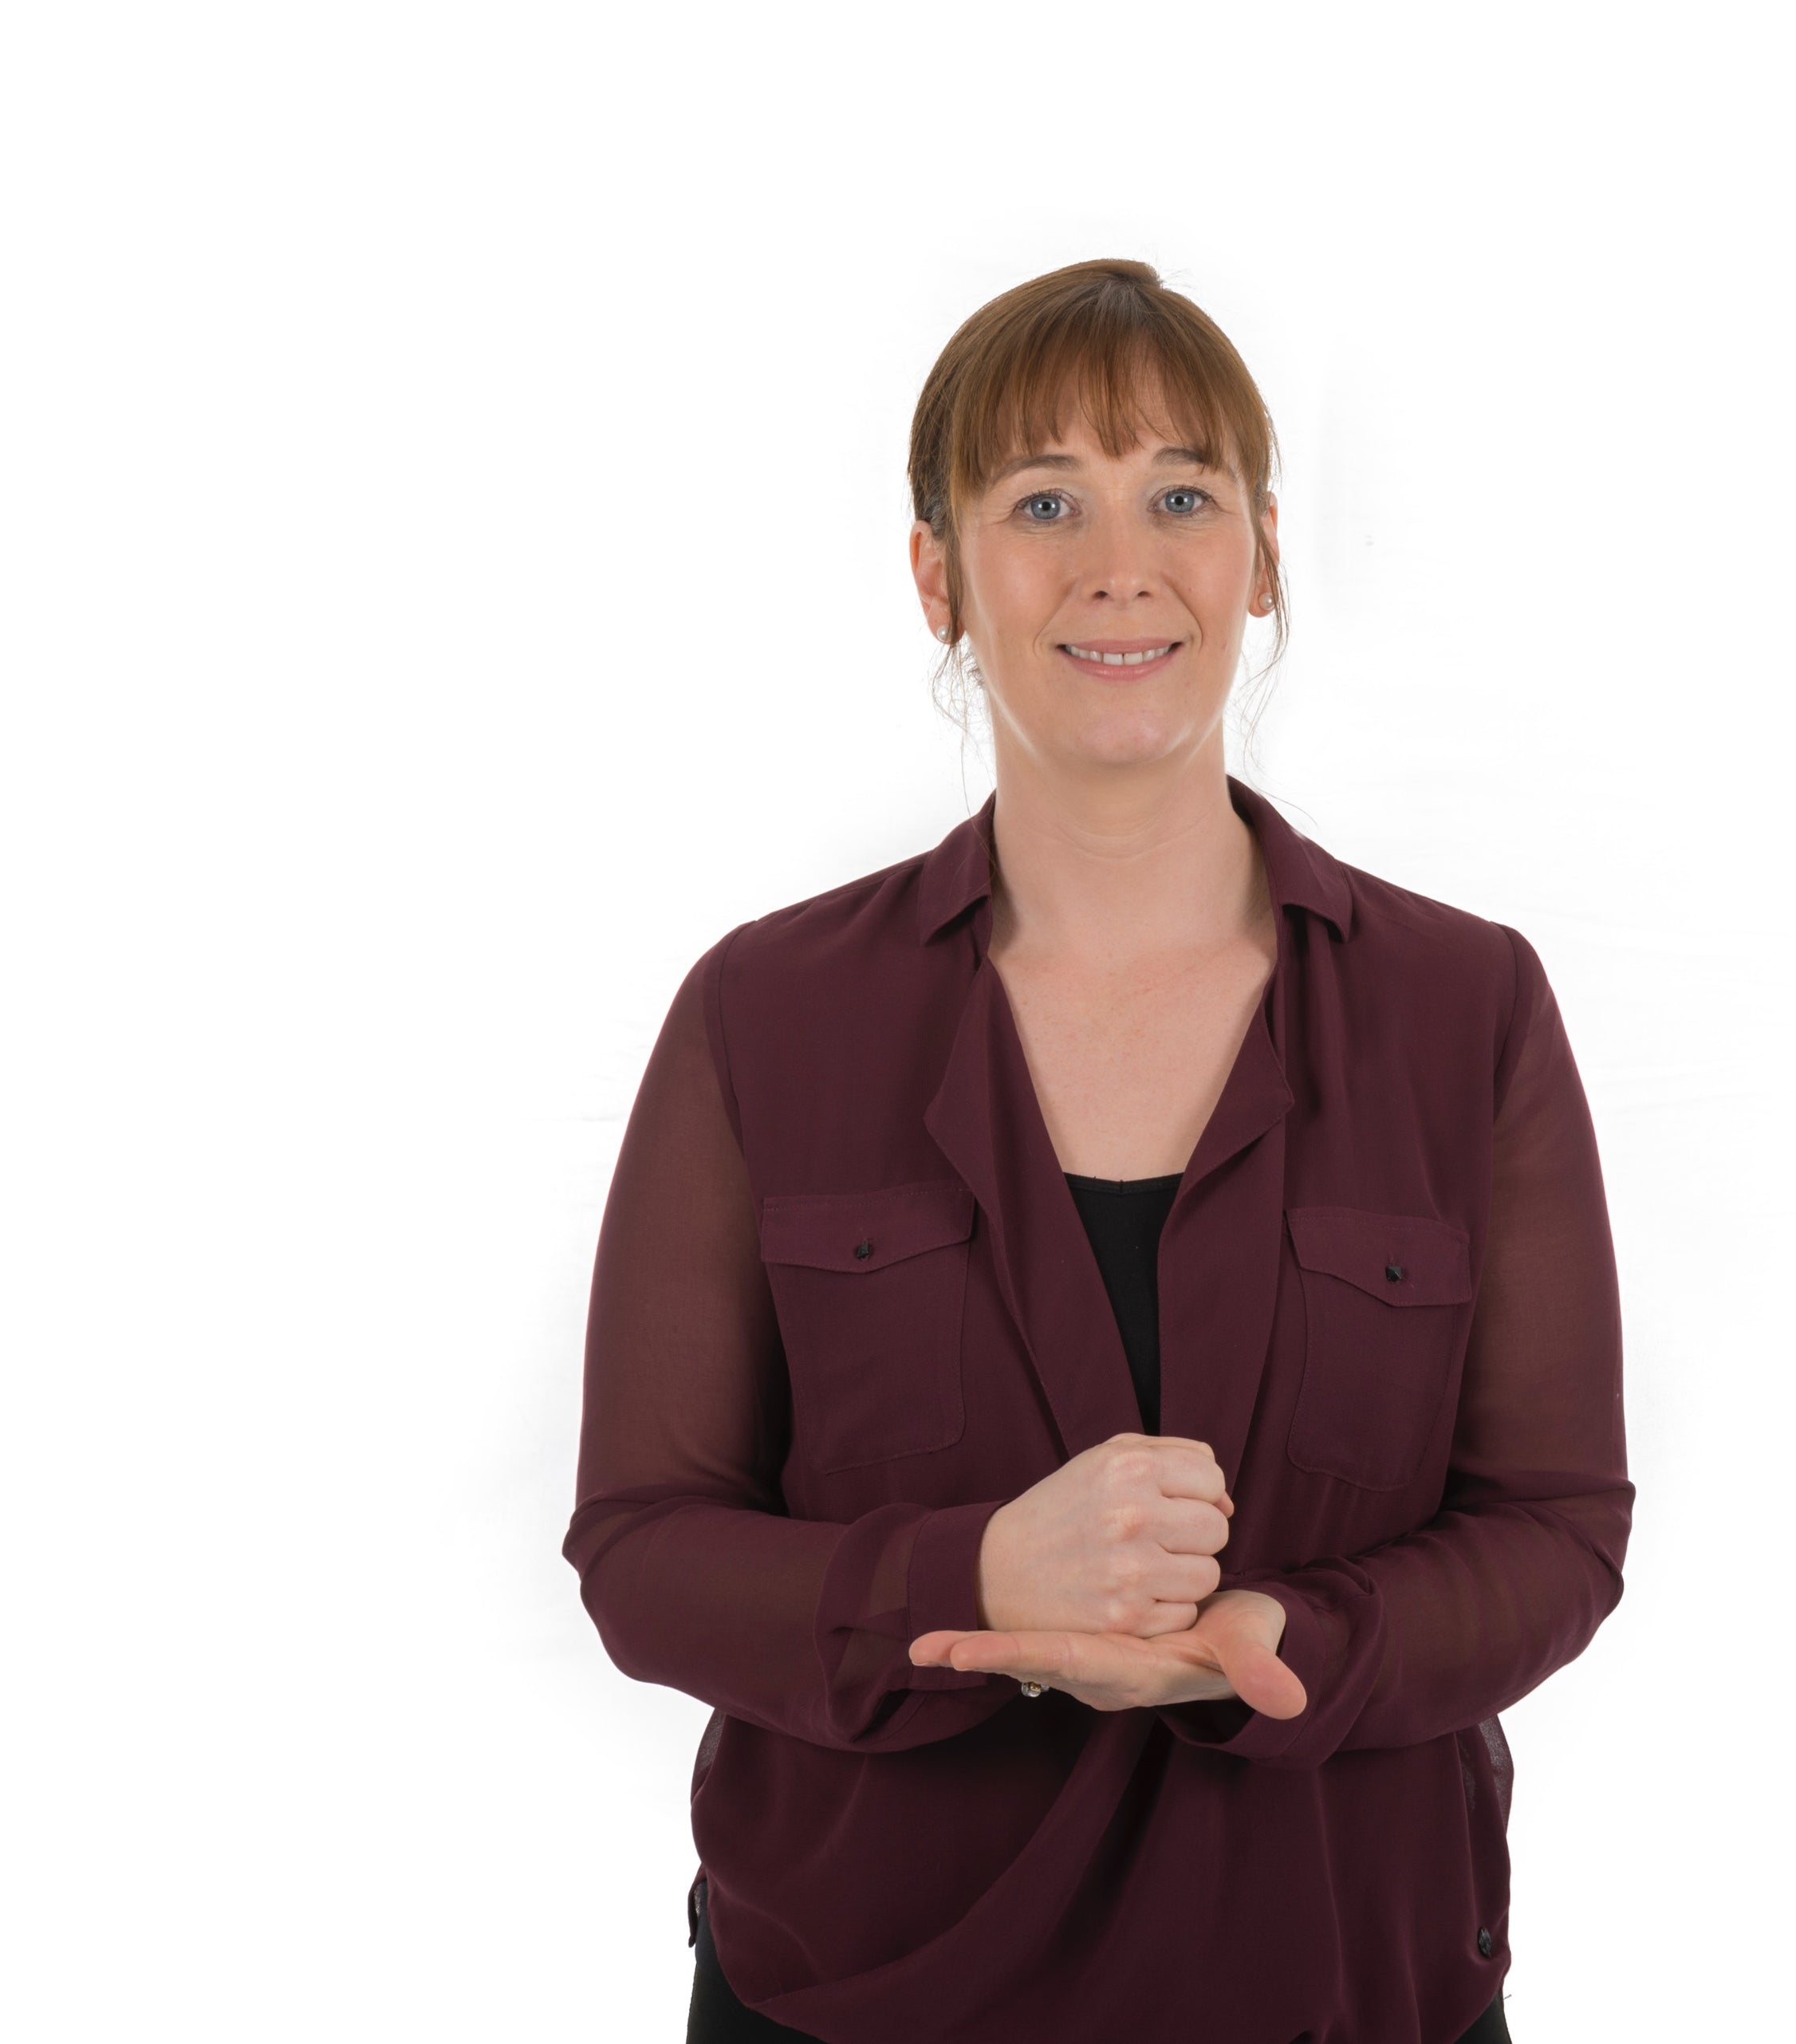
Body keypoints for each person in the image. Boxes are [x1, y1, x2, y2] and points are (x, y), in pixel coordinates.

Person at [563, 257, 1633, 2044]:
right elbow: (643, 1545)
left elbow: (1557, 1524)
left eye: (1181, 497)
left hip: (1342, 1989)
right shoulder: (768, 1015)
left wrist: (1291, 1639)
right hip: (855, 2001)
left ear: (1264, 558)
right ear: (939, 575)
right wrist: (971, 1576)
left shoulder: (1469, 1009)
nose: (1117, 563)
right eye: (1042, 499)